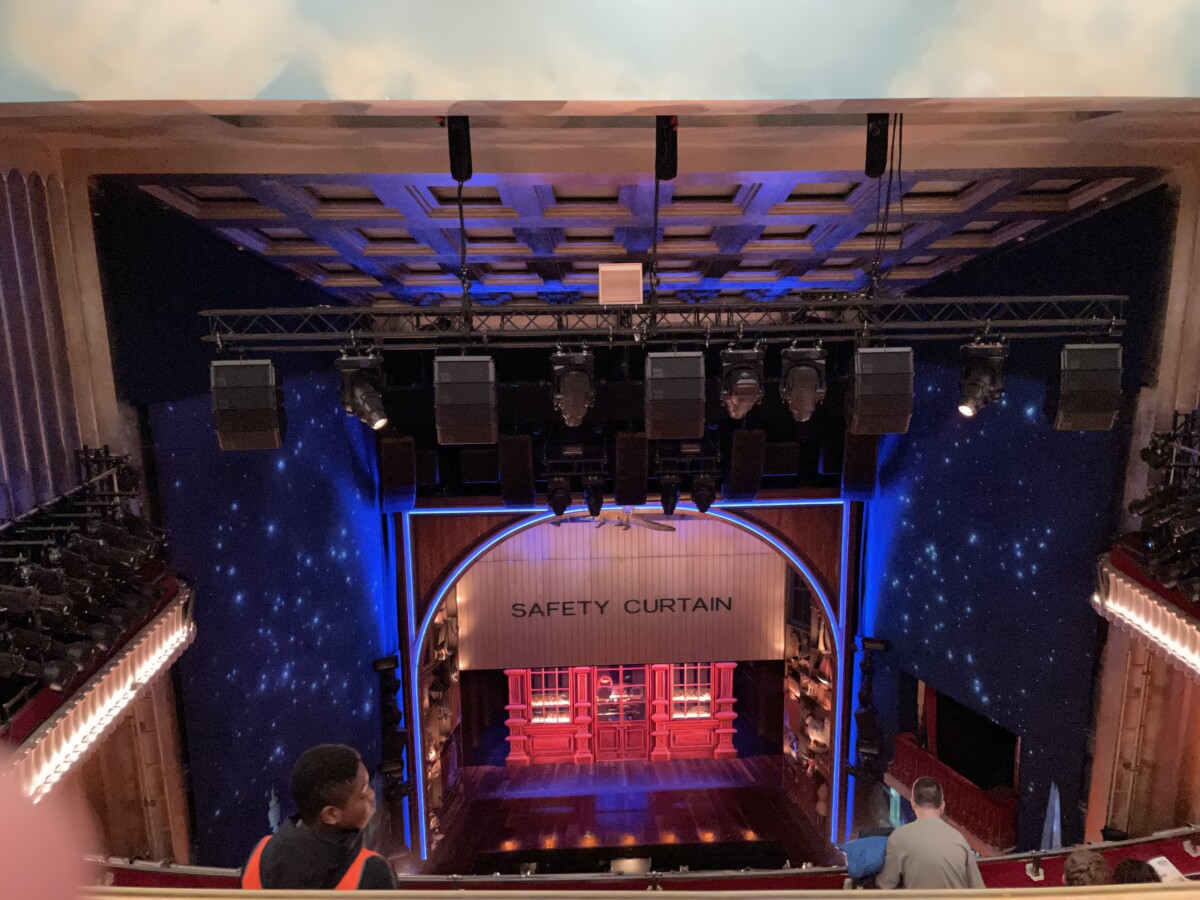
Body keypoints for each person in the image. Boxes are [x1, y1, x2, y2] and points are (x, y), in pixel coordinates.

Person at [242, 744, 397, 890]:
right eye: (364, 792)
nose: (372, 795)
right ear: (331, 814)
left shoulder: (259, 853)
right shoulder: (374, 871)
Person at [876, 777, 984, 889]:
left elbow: (885, 885)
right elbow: (979, 889)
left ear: (913, 803)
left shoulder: (899, 837)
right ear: (942, 806)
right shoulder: (960, 839)